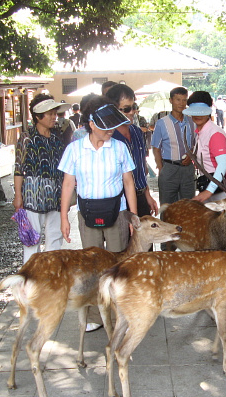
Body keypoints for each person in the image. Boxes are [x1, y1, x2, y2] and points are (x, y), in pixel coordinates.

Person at [59, 97, 138, 332]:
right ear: (92, 124)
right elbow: (67, 184)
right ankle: (94, 315)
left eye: (113, 126)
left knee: (119, 263)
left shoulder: (120, 147)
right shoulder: (75, 149)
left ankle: (120, 311)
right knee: (92, 265)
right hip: (87, 211)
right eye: (106, 127)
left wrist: (133, 217)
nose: (111, 131)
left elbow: (129, 182)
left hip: (118, 210)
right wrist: (64, 216)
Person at [14, 94, 69, 264]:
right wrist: (18, 196)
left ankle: (51, 279)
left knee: (55, 238)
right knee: (32, 240)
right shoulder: (27, 138)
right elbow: (19, 168)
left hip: (55, 195)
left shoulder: (57, 138)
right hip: (32, 195)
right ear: (38, 116)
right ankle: (30, 280)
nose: (54, 117)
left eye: (55, 113)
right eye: (50, 113)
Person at [105, 84, 158, 216]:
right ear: (113, 109)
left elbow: (141, 168)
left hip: (140, 197)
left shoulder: (137, 132)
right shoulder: (107, 137)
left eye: (134, 107)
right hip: (119, 202)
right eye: (126, 109)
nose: (132, 112)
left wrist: (147, 195)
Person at [184, 91, 226, 203]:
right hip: (212, 186)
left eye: (202, 111)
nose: (198, 115)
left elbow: (223, 164)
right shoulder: (200, 132)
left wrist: (209, 191)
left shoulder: (214, 133)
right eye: (194, 111)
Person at [152, 87, 195, 206]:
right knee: (167, 207)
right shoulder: (162, 123)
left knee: (189, 206)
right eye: (178, 100)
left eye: (184, 100)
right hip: (169, 168)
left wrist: (191, 155)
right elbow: (156, 148)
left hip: (188, 169)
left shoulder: (192, 122)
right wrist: (162, 169)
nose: (181, 103)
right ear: (171, 100)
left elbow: (196, 144)